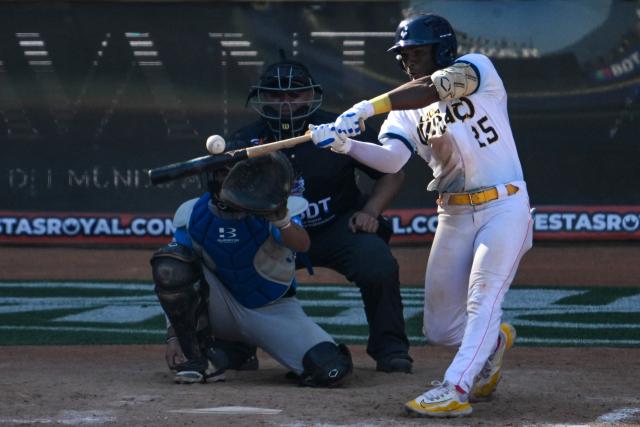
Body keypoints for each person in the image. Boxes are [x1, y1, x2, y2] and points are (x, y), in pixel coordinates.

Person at [310, 13, 533, 417]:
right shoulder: (403, 113)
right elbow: (392, 161)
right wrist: (346, 145)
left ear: (442, 48)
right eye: (404, 54)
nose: (409, 61)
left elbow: (431, 89)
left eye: (418, 52)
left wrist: (365, 107)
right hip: (454, 215)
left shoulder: (478, 69)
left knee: (484, 299)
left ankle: (455, 388)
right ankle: (494, 342)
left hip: (505, 206)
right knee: (440, 328)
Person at [225, 52, 413, 373]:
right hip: (275, 234)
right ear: (262, 97)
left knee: (377, 261)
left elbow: (393, 173)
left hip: (337, 227)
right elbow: (225, 195)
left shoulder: (339, 129)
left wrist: (370, 209)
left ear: (311, 94)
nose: (285, 102)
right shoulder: (245, 141)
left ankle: (391, 348)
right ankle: (237, 349)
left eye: (294, 94)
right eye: (276, 94)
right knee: (235, 263)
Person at [150, 152, 353, 387]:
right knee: (170, 265)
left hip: (272, 309)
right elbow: (173, 274)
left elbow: (302, 244)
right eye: (223, 174)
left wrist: (282, 219)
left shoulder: (273, 207)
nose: (230, 181)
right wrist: (174, 336)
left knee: (330, 368)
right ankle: (198, 359)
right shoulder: (193, 212)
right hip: (220, 305)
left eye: (236, 174)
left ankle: (237, 351)